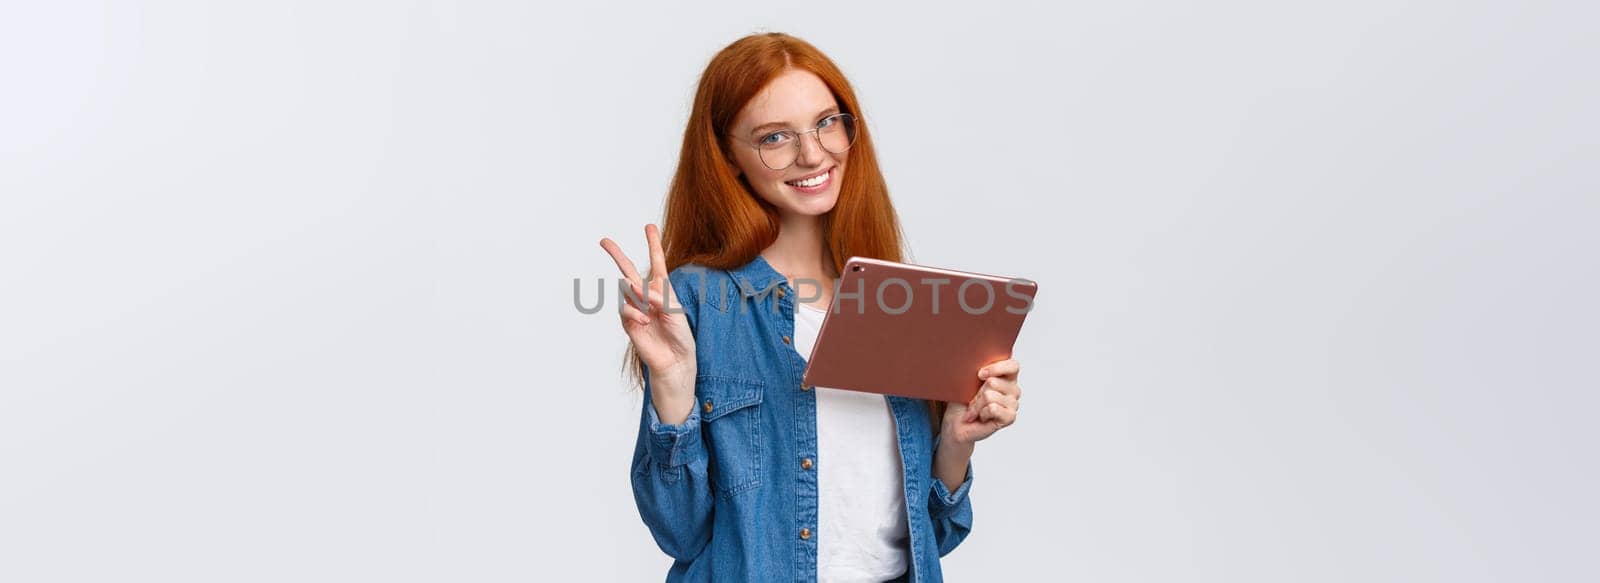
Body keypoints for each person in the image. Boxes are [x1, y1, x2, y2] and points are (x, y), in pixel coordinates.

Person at [598, 32, 1023, 582]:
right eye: (775, 137)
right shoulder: (698, 300)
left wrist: (956, 444)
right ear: (729, 157)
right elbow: (678, 532)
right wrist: (674, 384)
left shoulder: (899, 300)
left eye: (827, 122)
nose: (813, 153)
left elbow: (933, 536)